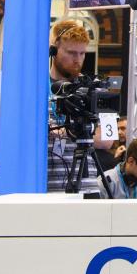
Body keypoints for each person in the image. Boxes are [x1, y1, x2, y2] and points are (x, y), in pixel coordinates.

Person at [47, 19, 102, 193]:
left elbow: (107, 140)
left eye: (82, 53)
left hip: (86, 185)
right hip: (45, 185)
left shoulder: (95, 87)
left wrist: (69, 130)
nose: (78, 60)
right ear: (54, 51)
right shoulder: (36, 88)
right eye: (71, 52)